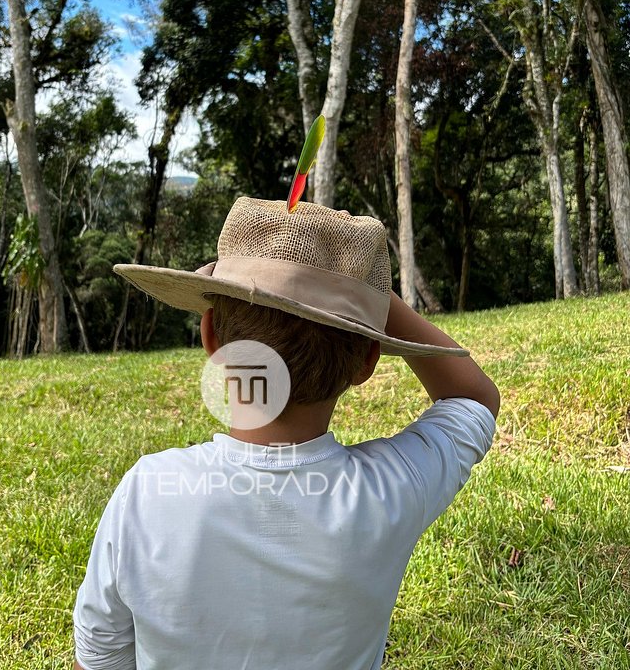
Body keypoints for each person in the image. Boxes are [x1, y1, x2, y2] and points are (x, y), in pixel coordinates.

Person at [73, 196, 500, 670]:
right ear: (368, 363)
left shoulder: (146, 490)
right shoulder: (394, 489)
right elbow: (475, 400)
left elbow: (100, 658)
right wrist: (371, 298)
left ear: (211, 337)